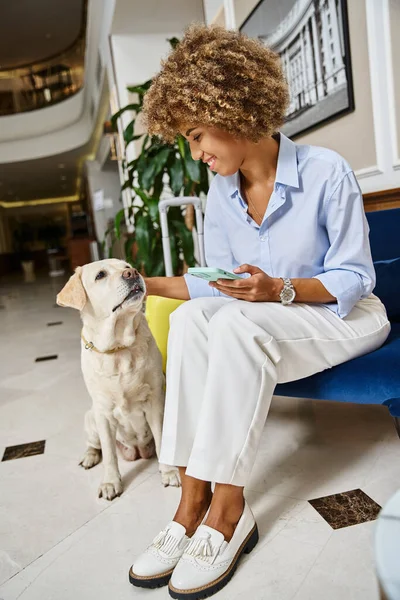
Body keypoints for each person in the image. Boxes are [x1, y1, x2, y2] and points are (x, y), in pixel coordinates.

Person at [128, 23, 390, 600]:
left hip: (346, 316)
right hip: (269, 319)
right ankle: (189, 502)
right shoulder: (219, 195)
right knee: (199, 320)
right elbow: (217, 288)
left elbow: (355, 278)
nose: (197, 154)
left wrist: (280, 290)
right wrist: (140, 283)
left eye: (198, 137)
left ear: (235, 109)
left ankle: (228, 508)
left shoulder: (326, 171)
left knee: (238, 329)